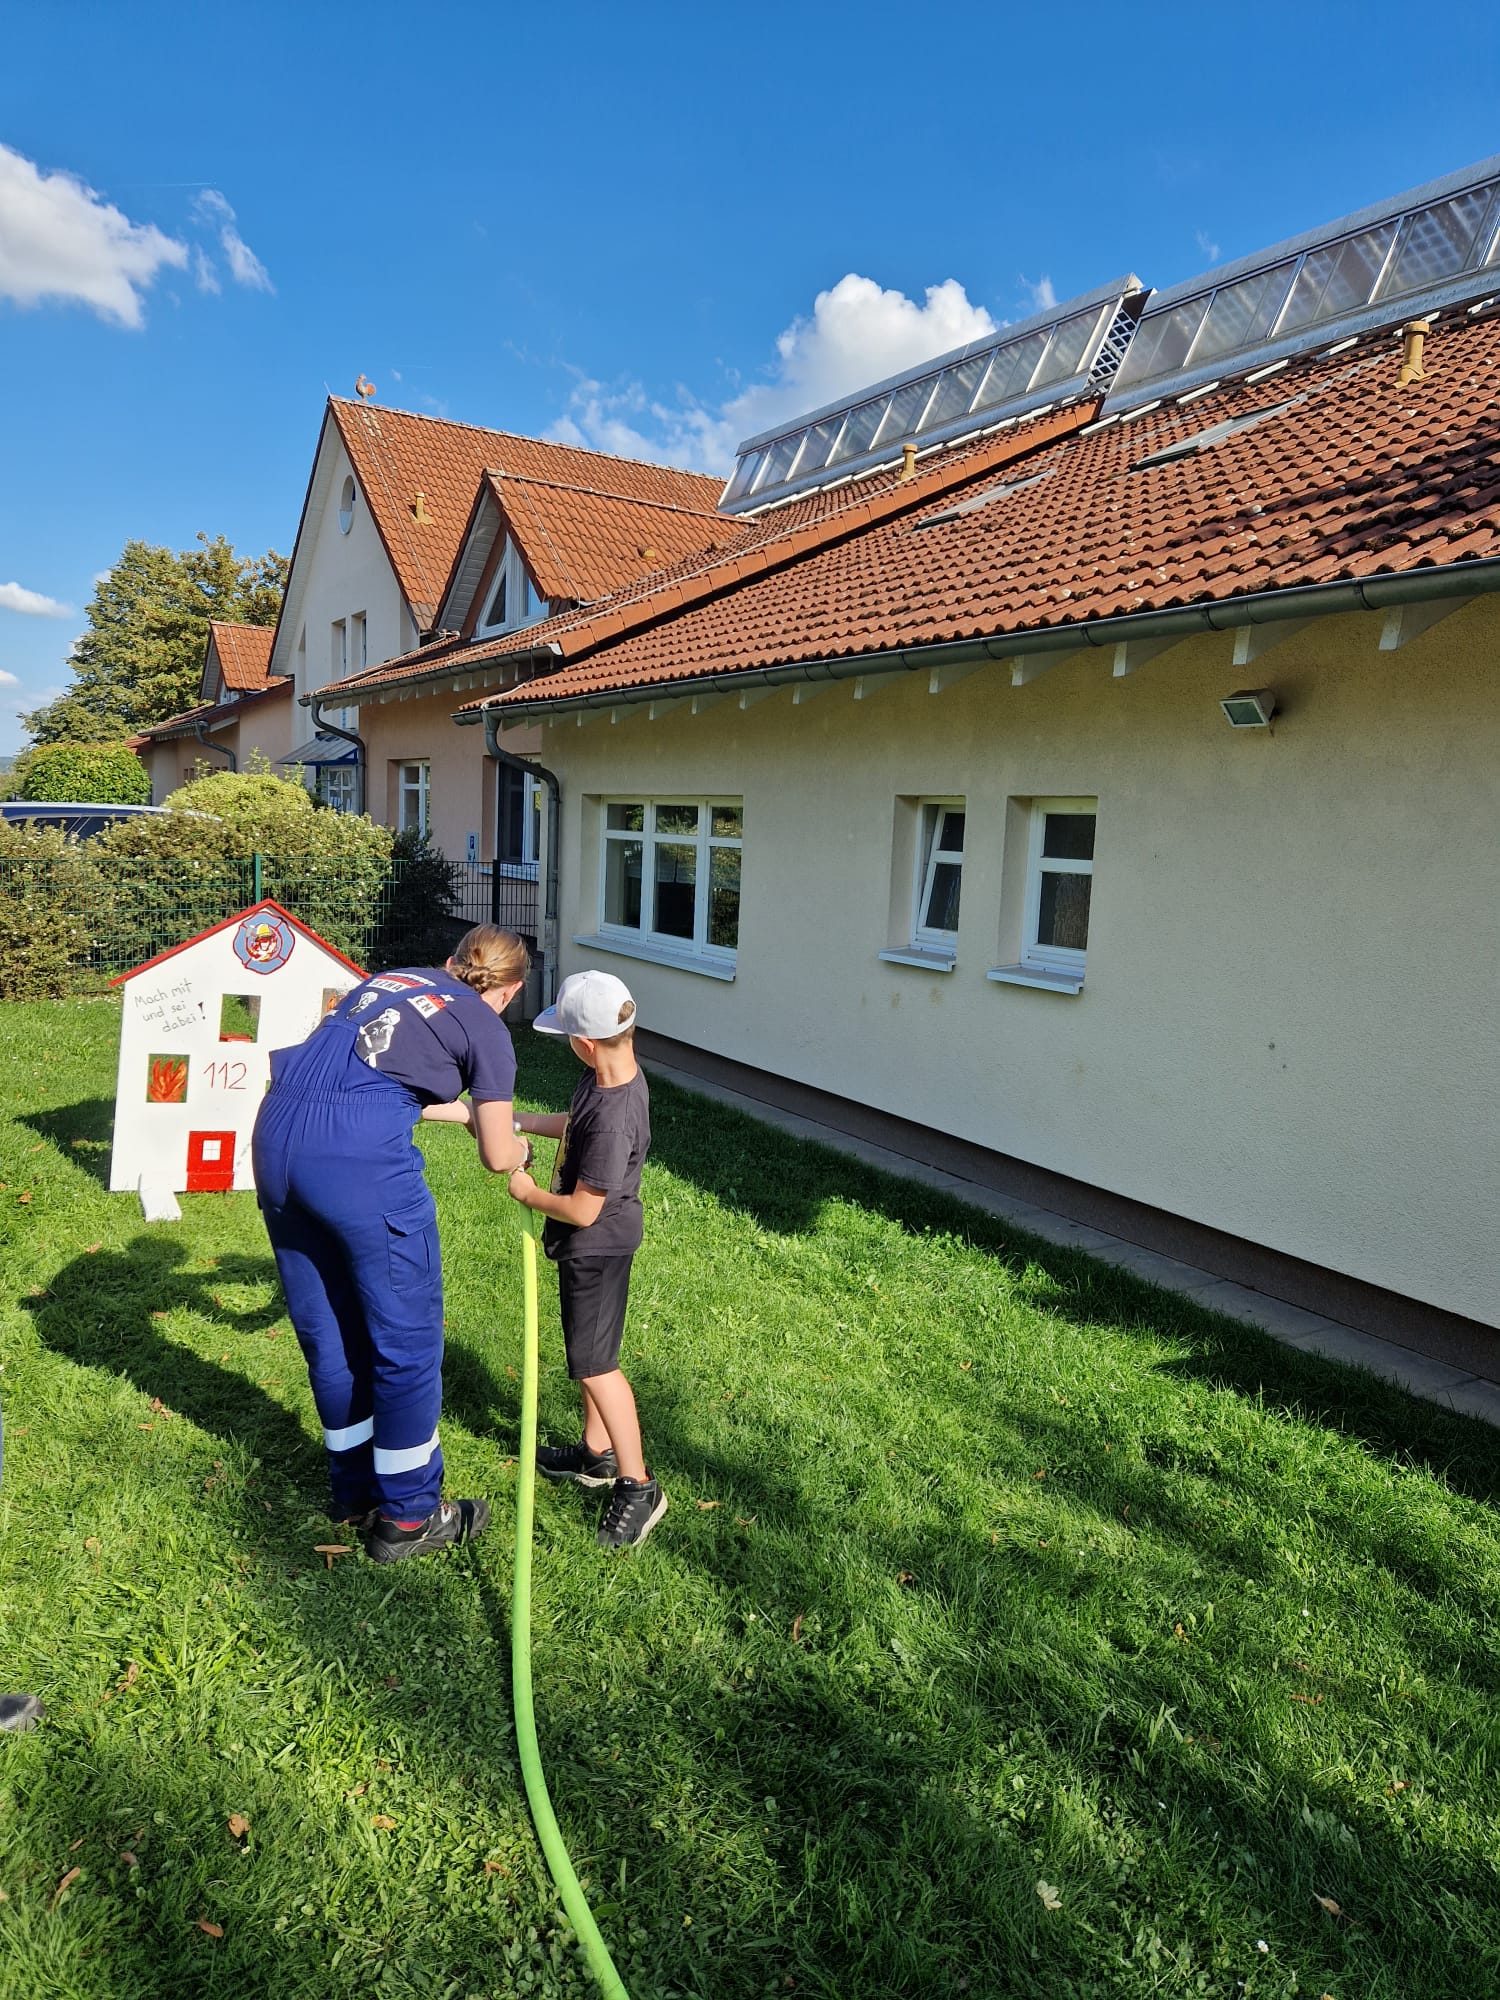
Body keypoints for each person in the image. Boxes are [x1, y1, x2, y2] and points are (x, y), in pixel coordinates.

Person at [253, 923, 531, 1563]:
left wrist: (460, 1112)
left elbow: (375, 1075)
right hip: (357, 1165)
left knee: (329, 1329)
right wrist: (516, 1144)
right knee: (405, 1338)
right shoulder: (485, 1026)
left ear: (449, 962)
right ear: (510, 991)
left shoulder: (386, 982)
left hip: (276, 1142)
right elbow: (497, 1155)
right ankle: (410, 1515)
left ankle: (353, 1491)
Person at [507, 970, 665, 1551]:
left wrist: (528, 1193)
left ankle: (638, 1484)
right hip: (597, 1245)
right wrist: (520, 1121)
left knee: (597, 1365)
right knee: (588, 1353)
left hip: (596, 1246)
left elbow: (581, 1210)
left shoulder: (613, 1113)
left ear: (587, 1041)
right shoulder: (604, 1080)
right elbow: (573, 1127)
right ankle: (596, 1456)